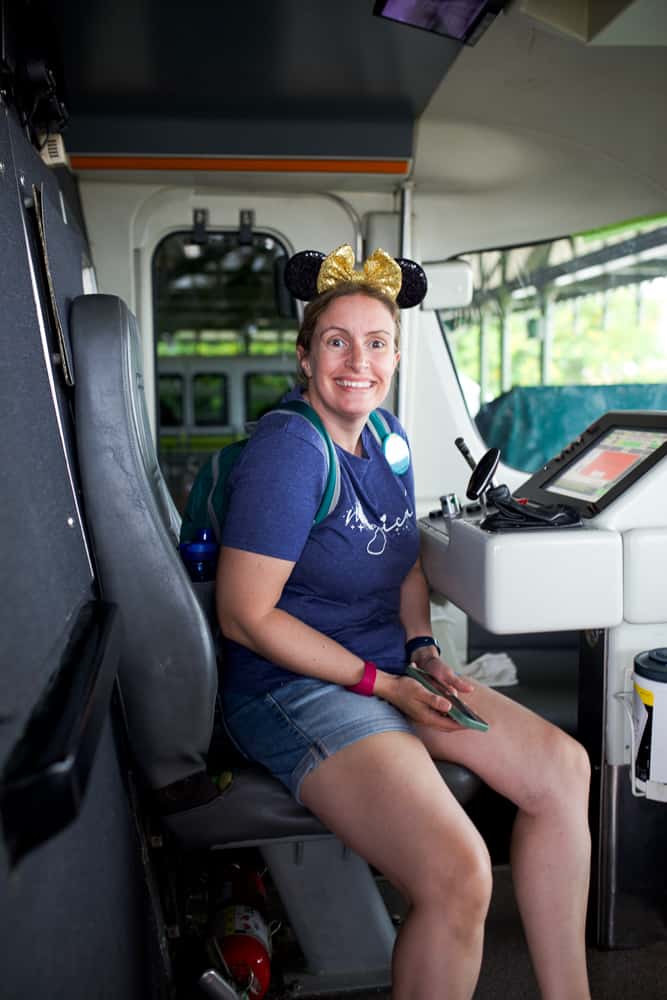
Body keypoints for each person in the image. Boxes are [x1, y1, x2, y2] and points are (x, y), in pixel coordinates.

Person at [216, 245, 591, 1000]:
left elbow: (407, 564)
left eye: (376, 342)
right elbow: (244, 616)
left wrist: (419, 648)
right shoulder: (291, 450)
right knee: (459, 875)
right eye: (336, 341)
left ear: (394, 353)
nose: (358, 361)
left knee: (562, 770)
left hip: (388, 669)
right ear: (304, 354)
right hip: (293, 688)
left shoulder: (385, 436)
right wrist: (384, 684)